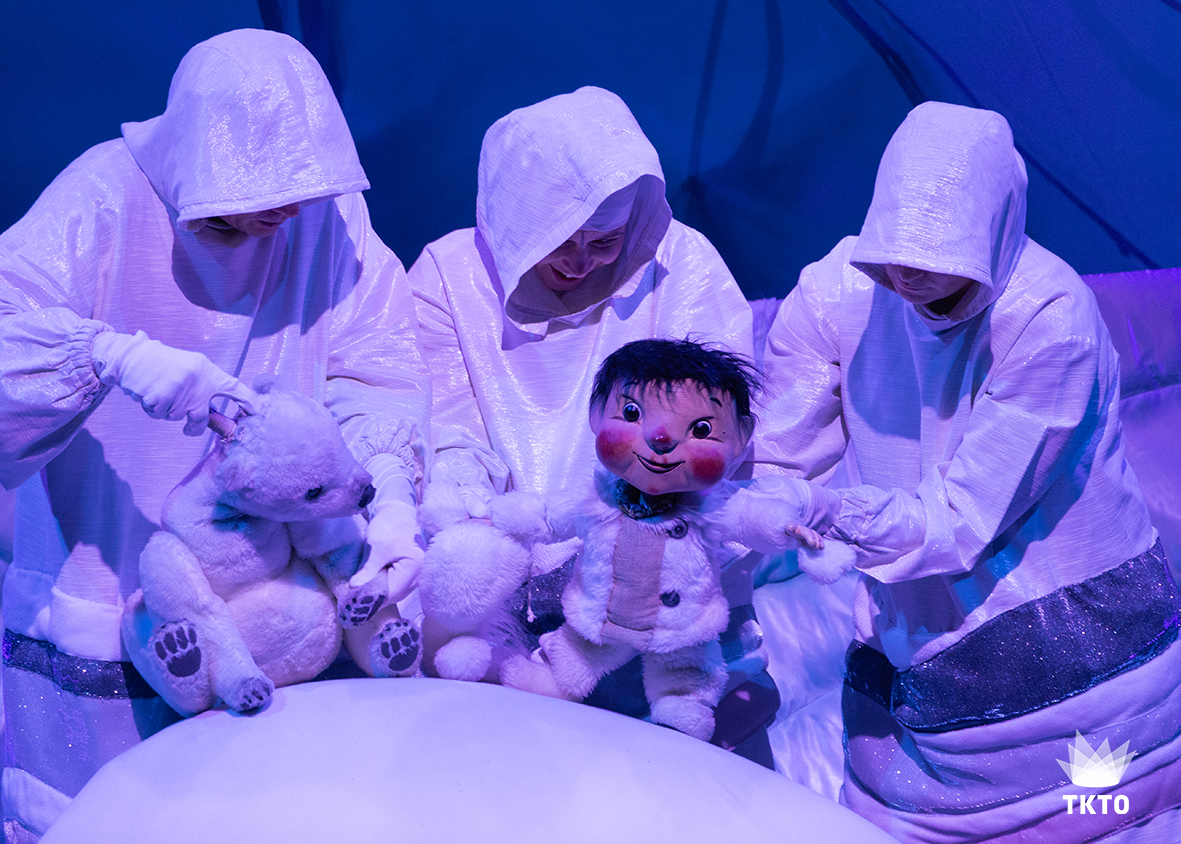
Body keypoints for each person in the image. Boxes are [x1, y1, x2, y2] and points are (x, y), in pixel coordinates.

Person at [0, 29, 428, 842]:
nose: (285, 210)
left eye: (300, 187)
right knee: (105, 814)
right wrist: (110, 355)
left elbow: (376, 363)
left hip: (278, 578)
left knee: (266, 809)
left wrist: (392, 492)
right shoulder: (104, 196)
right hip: (108, 549)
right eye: (262, 189)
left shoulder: (325, 214)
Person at [755, 101, 1181, 842]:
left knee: (1101, 805)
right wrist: (726, 507)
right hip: (921, 636)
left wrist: (825, 512)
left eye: (936, 260)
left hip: (1077, 649)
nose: (909, 276)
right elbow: (778, 456)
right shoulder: (833, 293)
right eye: (896, 251)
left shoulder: (1050, 316)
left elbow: (961, 518)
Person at [409, 87, 779, 761]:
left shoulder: (681, 264)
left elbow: (717, 436)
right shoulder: (450, 274)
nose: (580, 264)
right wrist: (492, 542)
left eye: (604, 242)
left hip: (661, 586)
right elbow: (446, 432)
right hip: (507, 589)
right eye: (558, 242)